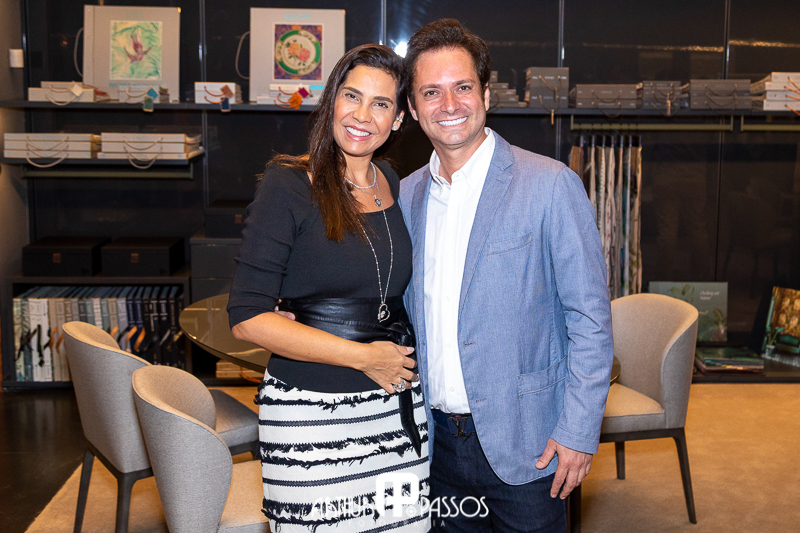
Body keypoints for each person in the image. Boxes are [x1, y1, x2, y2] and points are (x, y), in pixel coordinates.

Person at [398, 19, 614, 532]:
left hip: (531, 445)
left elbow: (590, 319)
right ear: (412, 108)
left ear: (486, 95)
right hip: (435, 448)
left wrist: (578, 431)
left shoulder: (550, 185)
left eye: (462, 87)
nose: (449, 104)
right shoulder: (404, 196)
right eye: (431, 92)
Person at [228, 44, 430, 532]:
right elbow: (247, 317)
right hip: (311, 412)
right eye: (352, 96)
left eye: (380, 104)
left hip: (396, 409)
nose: (362, 115)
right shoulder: (289, 184)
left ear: (398, 119)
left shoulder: (391, 180)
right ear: (331, 101)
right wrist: (364, 358)